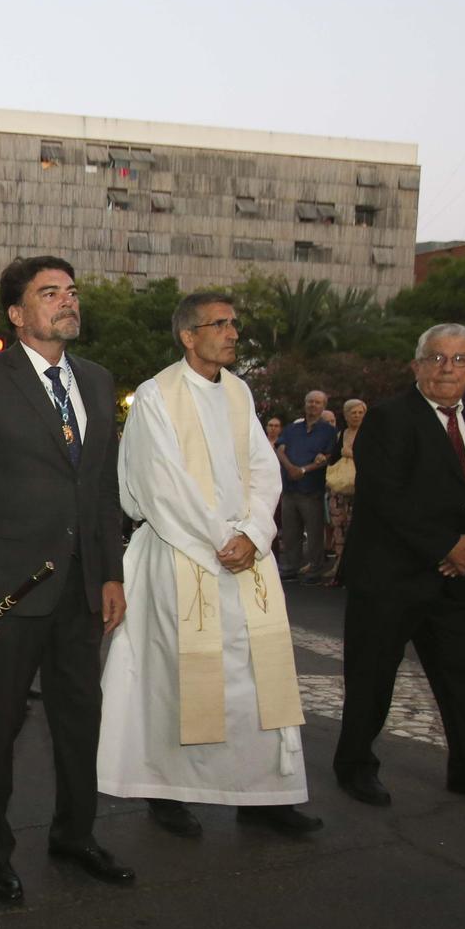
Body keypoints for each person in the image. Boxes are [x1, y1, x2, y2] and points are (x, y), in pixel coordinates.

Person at [0, 255, 133, 903]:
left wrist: (110, 574)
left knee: (81, 718)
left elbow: (100, 487)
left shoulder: (99, 382)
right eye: (50, 293)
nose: (67, 301)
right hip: (5, 593)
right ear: (18, 313)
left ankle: (75, 835)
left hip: (81, 588)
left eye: (72, 291)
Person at [99, 291, 319, 839]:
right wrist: (222, 541)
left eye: (233, 325)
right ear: (188, 336)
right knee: (178, 679)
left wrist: (253, 533)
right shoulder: (156, 396)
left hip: (244, 559)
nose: (231, 333)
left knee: (255, 683)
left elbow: (265, 471)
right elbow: (160, 483)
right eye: (218, 324)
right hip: (181, 556)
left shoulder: (240, 393)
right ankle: (168, 791)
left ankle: (264, 794)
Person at [334, 324, 465, 808]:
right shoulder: (388, 418)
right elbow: (385, 495)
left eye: (460, 360)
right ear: (417, 365)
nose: (448, 368)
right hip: (389, 576)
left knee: (464, 676)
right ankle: (355, 767)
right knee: (372, 676)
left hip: (451, 577)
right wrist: (446, 545)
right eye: (437, 358)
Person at [275, 390, 336, 584]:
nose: (313, 405)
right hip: (289, 488)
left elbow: (327, 457)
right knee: (291, 532)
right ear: (305, 404)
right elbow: (280, 449)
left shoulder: (328, 432)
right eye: (310, 402)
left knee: (314, 532)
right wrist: (291, 468)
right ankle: (291, 566)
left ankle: (315, 569)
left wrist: (303, 470)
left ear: (323, 406)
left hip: (312, 489)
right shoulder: (293, 429)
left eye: (317, 402)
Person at [322, 398, 365, 585]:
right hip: (339, 489)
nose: (356, 416)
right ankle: (339, 565)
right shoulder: (342, 434)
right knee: (339, 528)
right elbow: (334, 457)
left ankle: (358, 568)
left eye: (360, 412)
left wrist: (352, 453)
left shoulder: (370, 433)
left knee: (358, 529)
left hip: (360, 489)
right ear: (346, 415)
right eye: (352, 413)